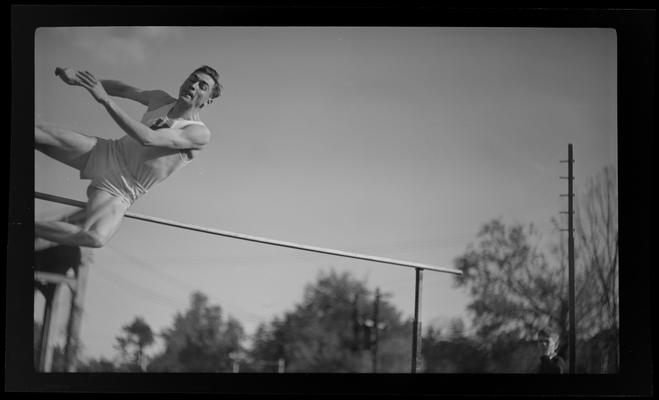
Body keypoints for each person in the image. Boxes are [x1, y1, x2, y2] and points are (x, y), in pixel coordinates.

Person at [35, 65, 222, 249]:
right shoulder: (160, 99)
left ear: (207, 100)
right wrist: (82, 81)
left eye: (202, 86)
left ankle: (21, 225)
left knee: (94, 237)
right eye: (192, 79)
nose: (193, 85)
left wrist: (105, 100)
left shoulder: (199, 133)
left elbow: (148, 138)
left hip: (124, 187)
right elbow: (123, 89)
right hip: (108, 152)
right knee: (36, 133)